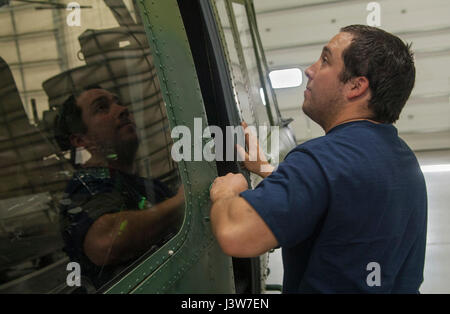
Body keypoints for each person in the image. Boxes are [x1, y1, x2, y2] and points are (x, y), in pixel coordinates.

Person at [210, 25, 427, 293]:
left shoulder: (321, 157)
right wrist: (266, 169)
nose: (309, 70)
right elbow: (338, 196)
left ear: (356, 86)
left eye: (325, 60)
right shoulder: (401, 157)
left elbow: (236, 233)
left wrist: (226, 194)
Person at [54, 87, 184, 289]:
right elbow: (105, 242)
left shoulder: (146, 186)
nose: (122, 109)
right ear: (81, 141)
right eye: (102, 108)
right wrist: (181, 202)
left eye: (118, 102)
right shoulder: (84, 187)